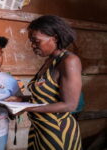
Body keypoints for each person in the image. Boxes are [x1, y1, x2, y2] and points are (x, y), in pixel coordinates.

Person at [7, 15, 82, 150]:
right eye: (31, 41)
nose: (32, 45)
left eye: (36, 41)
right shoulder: (49, 61)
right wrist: (20, 99)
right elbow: (46, 97)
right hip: (40, 130)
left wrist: (26, 107)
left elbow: (69, 105)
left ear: (55, 38)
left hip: (57, 132)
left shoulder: (69, 61)